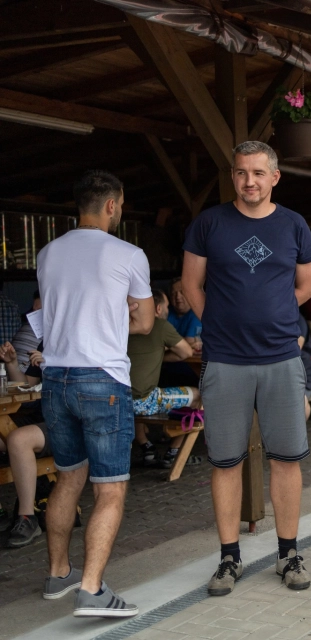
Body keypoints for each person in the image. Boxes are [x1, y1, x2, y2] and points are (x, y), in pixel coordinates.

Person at [182, 142, 311, 597]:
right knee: (225, 461)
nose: (250, 181)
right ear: (233, 177)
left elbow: (305, 285)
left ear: (275, 176)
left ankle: (288, 553)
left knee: (286, 460)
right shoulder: (210, 223)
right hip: (225, 360)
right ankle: (228, 557)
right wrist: (218, 323)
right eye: (241, 173)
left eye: (259, 173)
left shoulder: (295, 224)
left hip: (280, 357)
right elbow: (190, 283)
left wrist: (273, 315)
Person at [38, 169, 154, 617]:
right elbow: (144, 323)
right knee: (110, 490)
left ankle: (58, 574)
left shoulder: (48, 253)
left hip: (56, 379)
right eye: (120, 205)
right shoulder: (128, 253)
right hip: (102, 380)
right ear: (111, 204)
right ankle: (92, 589)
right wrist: (119, 311)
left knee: (68, 477)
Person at [128, 287, 199, 468]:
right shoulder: (159, 325)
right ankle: (174, 453)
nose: (169, 310)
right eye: (166, 306)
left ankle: (146, 447)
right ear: (158, 309)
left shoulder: (120, 325)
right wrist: (163, 355)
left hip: (117, 400)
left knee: (138, 389)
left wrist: (157, 356)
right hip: (143, 401)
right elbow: (185, 351)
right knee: (198, 395)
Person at [0, 341, 49, 548]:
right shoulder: (46, 341)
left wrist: (50, 364)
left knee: (19, 439)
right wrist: (11, 363)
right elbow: (28, 384)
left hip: (67, 421)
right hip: (38, 417)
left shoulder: (83, 337)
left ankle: (27, 517)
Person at [167, 277, 202, 348]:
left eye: (182, 292)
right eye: (174, 293)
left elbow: (189, 342)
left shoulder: (197, 313)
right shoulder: (166, 311)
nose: (178, 297)